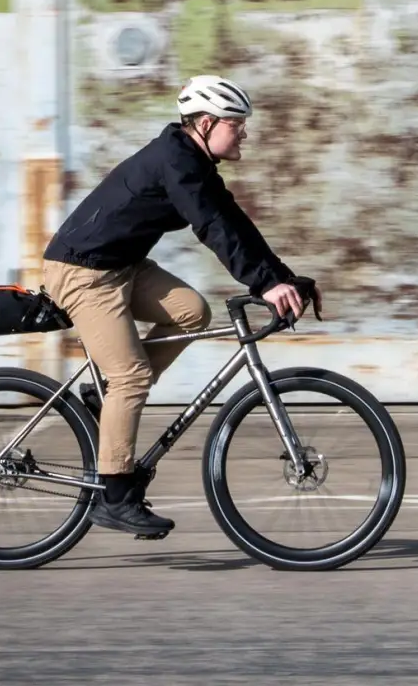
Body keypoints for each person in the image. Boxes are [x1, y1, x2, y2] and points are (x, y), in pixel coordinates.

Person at [40, 74, 321, 538]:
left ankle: (104, 400)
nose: (244, 132)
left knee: (192, 311)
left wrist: (281, 278)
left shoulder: (192, 161)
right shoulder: (177, 161)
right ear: (207, 123)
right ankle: (115, 494)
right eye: (238, 123)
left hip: (121, 267)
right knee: (130, 375)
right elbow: (212, 227)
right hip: (83, 272)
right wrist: (266, 283)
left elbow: (233, 221)